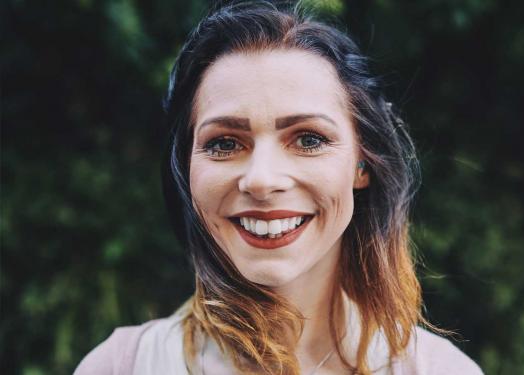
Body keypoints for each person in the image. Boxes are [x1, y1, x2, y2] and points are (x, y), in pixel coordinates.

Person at [74, 1, 483, 374]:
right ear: (186, 167)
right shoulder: (120, 367)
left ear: (362, 163)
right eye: (225, 143)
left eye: (308, 139)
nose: (262, 180)